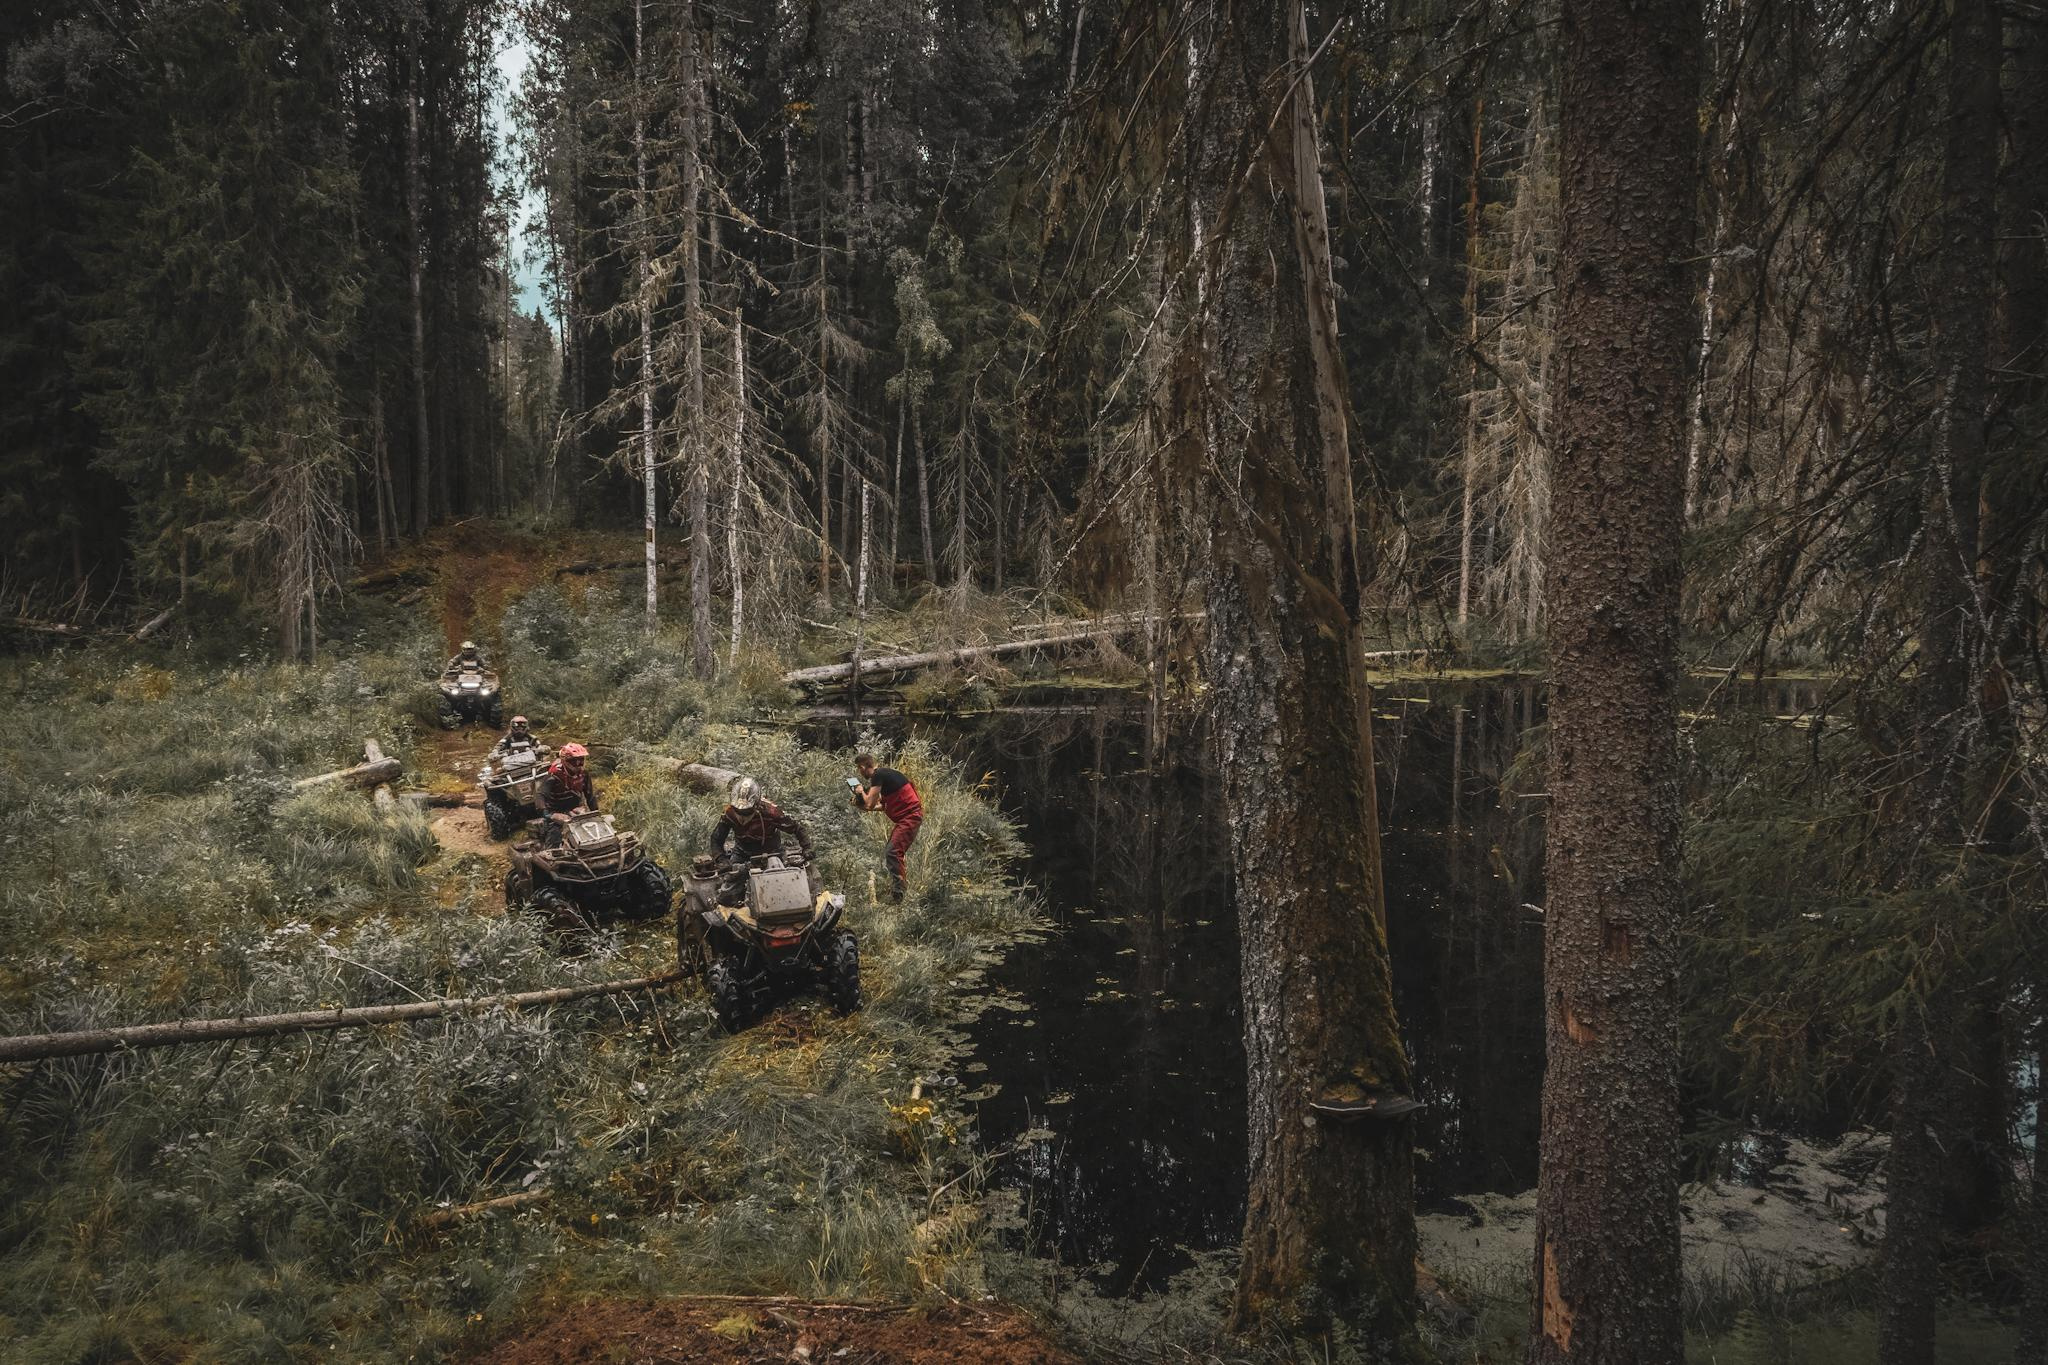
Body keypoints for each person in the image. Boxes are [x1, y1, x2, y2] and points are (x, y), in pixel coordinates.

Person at [852, 753, 921, 902]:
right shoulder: (885, 775)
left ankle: (899, 895)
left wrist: (860, 791)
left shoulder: (878, 775)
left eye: (859, 768)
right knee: (893, 852)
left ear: (863, 767)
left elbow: (870, 804)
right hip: (909, 817)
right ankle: (899, 891)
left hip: (910, 817)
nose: (859, 772)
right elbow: (880, 806)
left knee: (893, 852)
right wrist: (860, 805)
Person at [709, 776, 814, 865]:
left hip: (772, 852)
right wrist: (721, 858)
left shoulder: (771, 812)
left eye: (747, 811)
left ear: (756, 805)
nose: (742, 815)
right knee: (730, 877)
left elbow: (797, 828)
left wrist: (807, 848)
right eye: (738, 811)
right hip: (742, 852)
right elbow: (716, 838)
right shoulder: (729, 813)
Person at [537, 742, 598, 846]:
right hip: (555, 812)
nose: (578, 764)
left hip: (576, 810)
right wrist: (550, 815)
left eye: (581, 760)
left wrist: (596, 814)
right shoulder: (554, 776)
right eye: (574, 761)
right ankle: (552, 850)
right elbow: (540, 795)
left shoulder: (584, 774)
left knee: (593, 828)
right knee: (555, 835)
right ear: (565, 761)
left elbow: (590, 796)